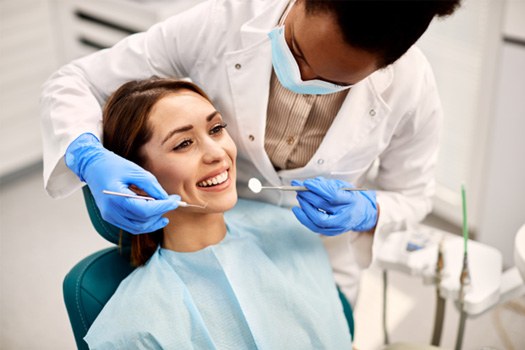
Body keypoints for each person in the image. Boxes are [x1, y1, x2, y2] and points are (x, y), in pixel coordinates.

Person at [40, 0, 461, 304]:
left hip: (316, 263)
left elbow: (413, 195)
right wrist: (87, 156)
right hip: (211, 241)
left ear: (384, 67)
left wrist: (370, 209)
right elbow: (74, 81)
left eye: (332, 81)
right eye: (296, 50)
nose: (302, 76)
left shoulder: (411, 87)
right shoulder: (222, 21)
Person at [83, 77, 352, 349]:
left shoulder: (291, 233)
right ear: (136, 181)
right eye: (183, 143)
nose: (217, 153)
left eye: (216, 129)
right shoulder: (135, 330)